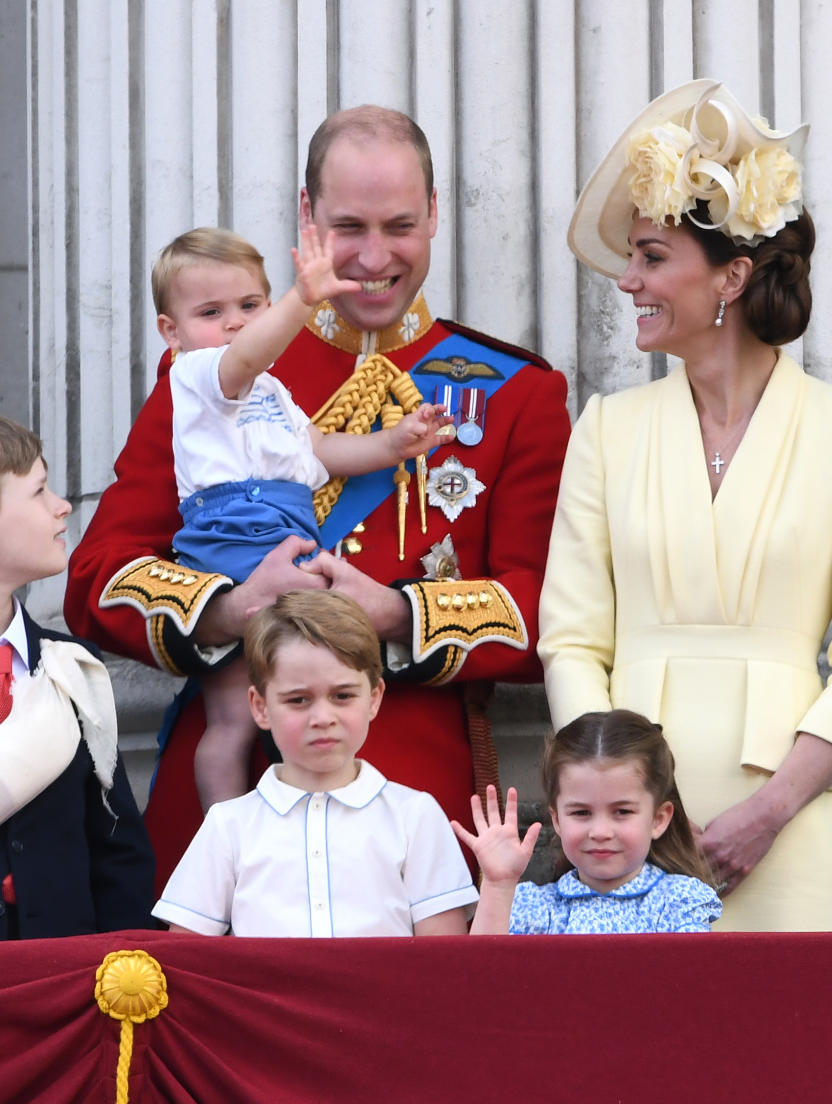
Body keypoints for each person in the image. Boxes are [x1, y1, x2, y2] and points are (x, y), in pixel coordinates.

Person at [64, 104, 571, 891]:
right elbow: (97, 577)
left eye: (400, 225)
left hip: (410, 810)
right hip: (226, 808)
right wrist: (226, 609)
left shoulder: (515, 393)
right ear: (306, 216)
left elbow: (550, 617)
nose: (374, 256)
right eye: (348, 227)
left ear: (435, 214)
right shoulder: (221, 367)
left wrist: (399, 613)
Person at [537, 80, 832, 931]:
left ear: (731, 276)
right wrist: (609, 806)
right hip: (625, 837)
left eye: (651, 256)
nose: (628, 280)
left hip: (789, 822)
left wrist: (772, 812)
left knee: (789, 1057)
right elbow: (572, 637)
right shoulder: (607, 428)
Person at [153, 223, 453, 810]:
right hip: (231, 539)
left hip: (288, 530)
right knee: (232, 722)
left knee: (306, 698)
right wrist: (300, 298)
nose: (235, 322)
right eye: (212, 311)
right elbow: (243, 355)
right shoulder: (196, 372)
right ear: (173, 331)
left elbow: (317, 450)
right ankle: (227, 834)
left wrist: (394, 445)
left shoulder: (272, 389)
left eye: (250, 305)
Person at [153, 590, 478, 936]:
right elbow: (189, 955)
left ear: (374, 698)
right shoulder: (228, 825)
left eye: (342, 696)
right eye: (298, 699)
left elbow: (443, 961)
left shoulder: (416, 816)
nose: (323, 717)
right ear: (261, 707)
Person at [0, 416, 155, 939]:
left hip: (66, 987)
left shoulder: (75, 665)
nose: (63, 505)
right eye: (40, 490)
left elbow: (117, 851)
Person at [454, 710, 721, 934]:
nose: (600, 832)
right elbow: (480, 979)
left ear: (658, 819)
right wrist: (498, 885)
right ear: (556, 819)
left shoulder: (678, 901)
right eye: (581, 813)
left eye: (622, 812)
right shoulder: (536, 908)